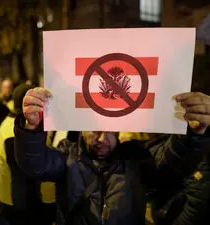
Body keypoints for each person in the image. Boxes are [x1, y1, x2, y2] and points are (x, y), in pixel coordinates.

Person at [14, 88, 210, 225]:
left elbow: (172, 162)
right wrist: (31, 128)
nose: (102, 139)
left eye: (110, 132)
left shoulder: (136, 159)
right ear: (81, 129)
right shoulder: (68, 155)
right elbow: (36, 164)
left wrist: (194, 136)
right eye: (95, 131)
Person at [0, 84, 56, 225]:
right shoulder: (17, 131)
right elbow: (22, 176)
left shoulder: (11, 123)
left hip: (14, 197)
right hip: (21, 202)